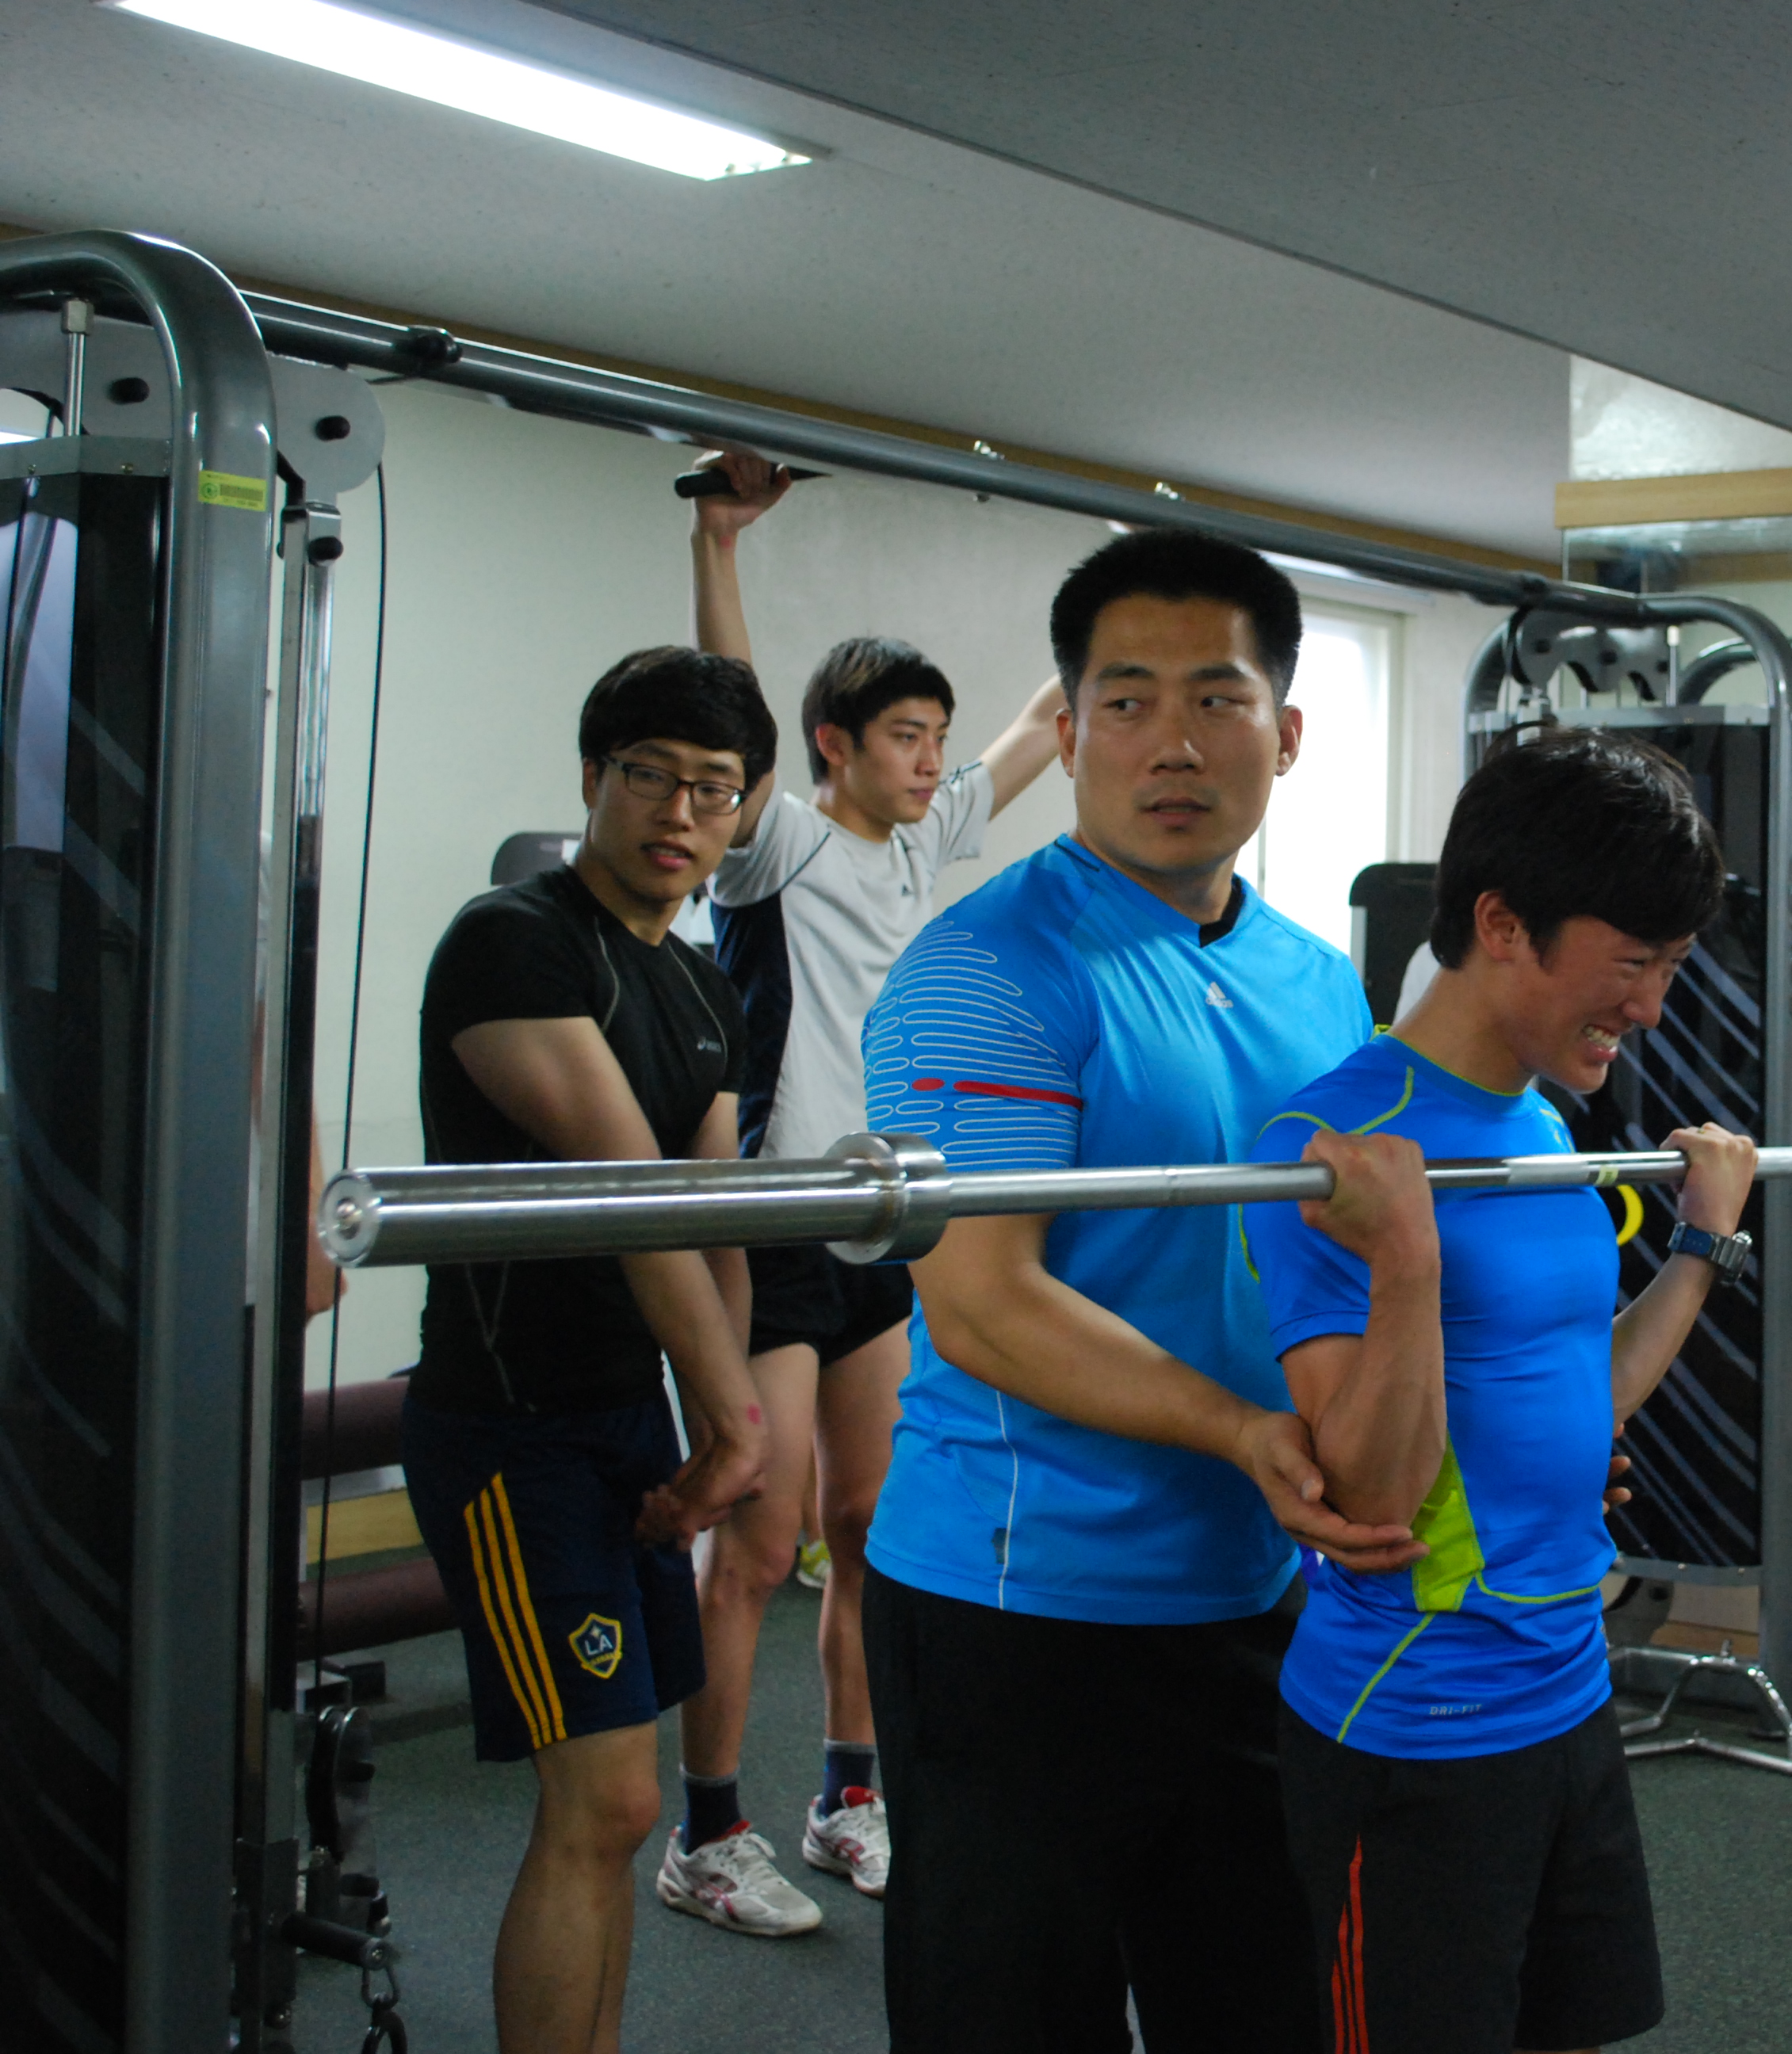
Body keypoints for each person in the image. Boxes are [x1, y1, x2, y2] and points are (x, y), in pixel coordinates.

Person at [858, 528, 1404, 2051]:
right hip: (1020, 1601)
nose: (1173, 742)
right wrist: (1241, 1430)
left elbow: (1339, 1259)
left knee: (1259, 2004)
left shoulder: (1318, 977)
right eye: (1126, 701)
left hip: (1259, 1587)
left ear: (1284, 734)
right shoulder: (985, 969)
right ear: (1071, 724)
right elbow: (983, 1301)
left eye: (1217, 699)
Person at [1243, 730, 1747, 2054]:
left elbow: (1585, 1391)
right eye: (1631, 964)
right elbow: (1370, 1494)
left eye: (1672, 968)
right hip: (1415, 1721)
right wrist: (1405, 1260)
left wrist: (1700, 1244)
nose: (1651, 1007)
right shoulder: (1327, 1148)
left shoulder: (1541, 1122)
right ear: (1502, 924)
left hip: (1570, 1695)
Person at [655, 454, 1071, 1934]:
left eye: (935, 739)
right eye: (904, 736)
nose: (929, 760)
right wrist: (719, 541)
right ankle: (707, 1832)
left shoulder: (924, 843)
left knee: (873, 1522)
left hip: (885, 1226)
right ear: (833, 743)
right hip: (772, 1225)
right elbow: (728, 707)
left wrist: (1127, 610)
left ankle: (847, 1798)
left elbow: (1040, 729)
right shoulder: (778, 844)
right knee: (758, 1543)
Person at [396, 648, 776, 2054]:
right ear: (592, 778)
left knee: (617, 1813)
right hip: (512, 1432)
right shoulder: (515, 940)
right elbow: (632, 1193)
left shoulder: (703, 988)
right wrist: (736, 1421)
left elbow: (718, 1220)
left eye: (714, 789)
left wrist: (718, 1427)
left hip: (626, 1428)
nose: (680, 812)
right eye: (650, 776)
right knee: (603, 1801)